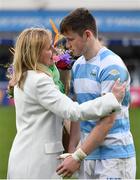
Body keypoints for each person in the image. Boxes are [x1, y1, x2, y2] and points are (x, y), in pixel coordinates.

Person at [7, 27, 125, 179]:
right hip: (36, 163)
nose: (55, 51)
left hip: (27, 158)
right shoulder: (39, 80)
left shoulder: (25, 76)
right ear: (35, 53)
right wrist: (111, 99)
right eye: (49, 48)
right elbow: (73, 111)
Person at [56, 8, 136, 179]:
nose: (67, 45)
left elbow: (107, 122)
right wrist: (72, 153)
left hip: (114, 158)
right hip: (87, 155)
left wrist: (77, 156)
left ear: (87, 35)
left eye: (70, 39)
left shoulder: (112, 67)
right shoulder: (77, 66)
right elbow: (78, 113)